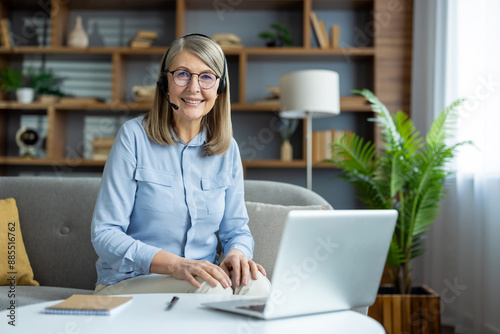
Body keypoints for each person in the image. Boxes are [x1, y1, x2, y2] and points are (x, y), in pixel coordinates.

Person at [91, 34, 270, 296]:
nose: (194, 88)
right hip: (129, 282)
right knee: (212, 290)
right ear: (165, 84)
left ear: (219, 89)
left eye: (207, 76)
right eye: (183, 74)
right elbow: (105, 233)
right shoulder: (133, 137)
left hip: (202, 279)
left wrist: (236, 253)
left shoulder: (227, 148)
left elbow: (237, 230)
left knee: (258, 287)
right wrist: (175, 264)